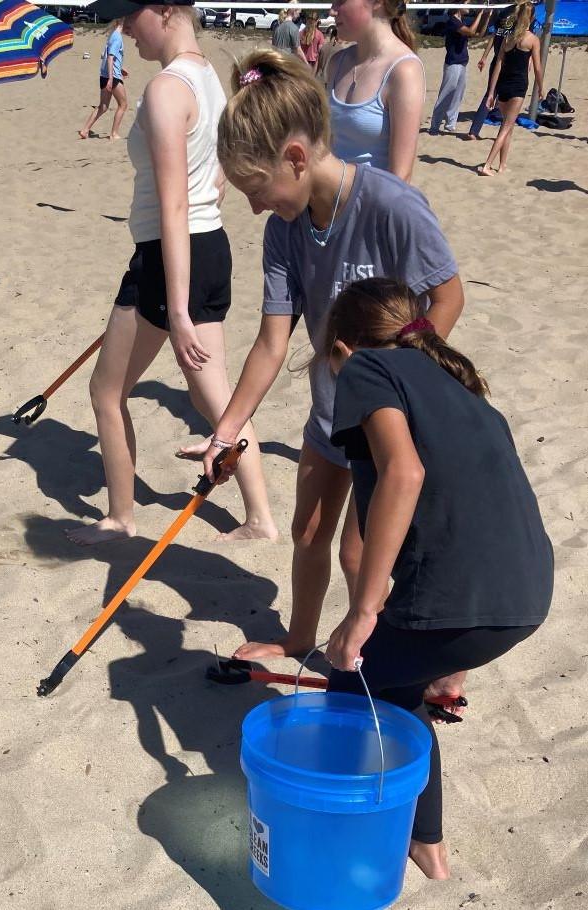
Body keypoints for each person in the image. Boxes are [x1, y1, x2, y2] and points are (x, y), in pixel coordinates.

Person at [205, 49, 465, 718]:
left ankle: (416, 665)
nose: (257, 203)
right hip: (329, 412)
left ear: (295, 157)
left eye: (257, 187)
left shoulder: (388, 203)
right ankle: (299, 637)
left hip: (386, 416)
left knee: (363, 554)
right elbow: (272, 341)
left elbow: (448, 296)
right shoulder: (284, 231)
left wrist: (403, 374)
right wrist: (228, 427)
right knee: (308, 530)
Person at [322, 276, 553, 878]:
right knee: (396, 685)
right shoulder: (458, 384)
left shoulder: (368, 370)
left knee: (352, 684)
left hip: (465, 597)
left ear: (343, 347)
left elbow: (403, 475)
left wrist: (364, 611)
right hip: (526, 591)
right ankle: (428, 846)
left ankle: (355, 831)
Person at [68, 0, 277, 546]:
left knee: (106, 392)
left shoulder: (167, 88)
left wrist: (177, 310)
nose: (123, 30)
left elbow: (174, 206)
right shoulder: (212, 77)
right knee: (217, 396)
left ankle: (120, 517)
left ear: (161, 11)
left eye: (128, 17)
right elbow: (219, 178)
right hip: (209, 248)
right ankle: (260, 517)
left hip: (170, 256)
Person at [326, 0, 425, 182]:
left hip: (370, 205)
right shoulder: (336, 62)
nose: (332, 11)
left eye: (341, 1)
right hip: (329, 202)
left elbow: (400, 178)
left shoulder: (403, 70)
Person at [479, 0, 543, 175]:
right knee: (506, 127)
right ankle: (487, 164)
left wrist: (492, 91)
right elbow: (537, 67)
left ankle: (502, 165)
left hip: (503, 85)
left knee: (509, 126)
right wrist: (541, 88)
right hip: (518, 87)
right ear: (531, 18)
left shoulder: (508, 37)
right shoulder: (532, 40)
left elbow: (498, 64)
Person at [428, 5, 492, 135]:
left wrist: (487, 17)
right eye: (467, 3)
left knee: (458, 95)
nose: (469, 6)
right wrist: (479, 14)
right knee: (446, 95)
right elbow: (469, 32)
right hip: (453, 64)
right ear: (459, 5)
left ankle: (450, 123)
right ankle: (434, 126)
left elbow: (479, 34)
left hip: (462, 63)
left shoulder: (461, 21)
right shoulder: (453, 21)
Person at [464, 1, 519, 140]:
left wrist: (484, 56)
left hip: (500, 59)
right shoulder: (517, 13)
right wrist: (484, 56)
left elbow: (495, 36)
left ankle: (474, 131)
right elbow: (496, 36)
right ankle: (501, 133)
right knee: (504, 96)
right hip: (509, 60)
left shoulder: (506, 12)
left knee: (492, 93)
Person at [79, 20, 129, 141]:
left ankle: (85, 130)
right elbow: (110, 57)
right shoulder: (117, 37)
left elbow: (108, 56)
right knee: (123, 105)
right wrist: (111, 78)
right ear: (122, 22)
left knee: (103, 106)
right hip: (112, 77)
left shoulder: (112, 35)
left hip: (104, 75)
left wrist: (121, 68)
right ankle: (114, 134)